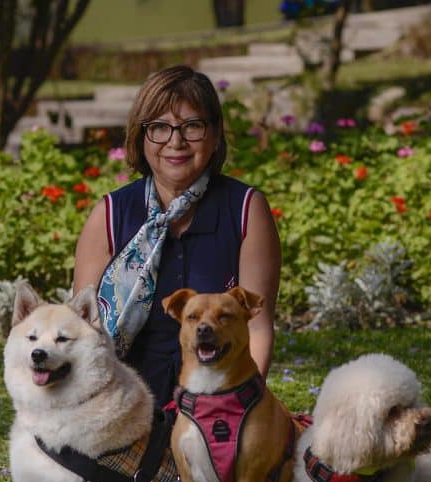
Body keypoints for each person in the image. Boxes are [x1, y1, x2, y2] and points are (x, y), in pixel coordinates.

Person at [73, 65, 281, 407]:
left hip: (217, 406)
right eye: (159, 127)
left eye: (192, 126)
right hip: (123, 410)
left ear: (215, 134)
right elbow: (82, 334)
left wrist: (236, 410)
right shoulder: (109, 215)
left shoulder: (246, 209)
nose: (176, 141)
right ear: (140, 136)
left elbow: (257, 329)